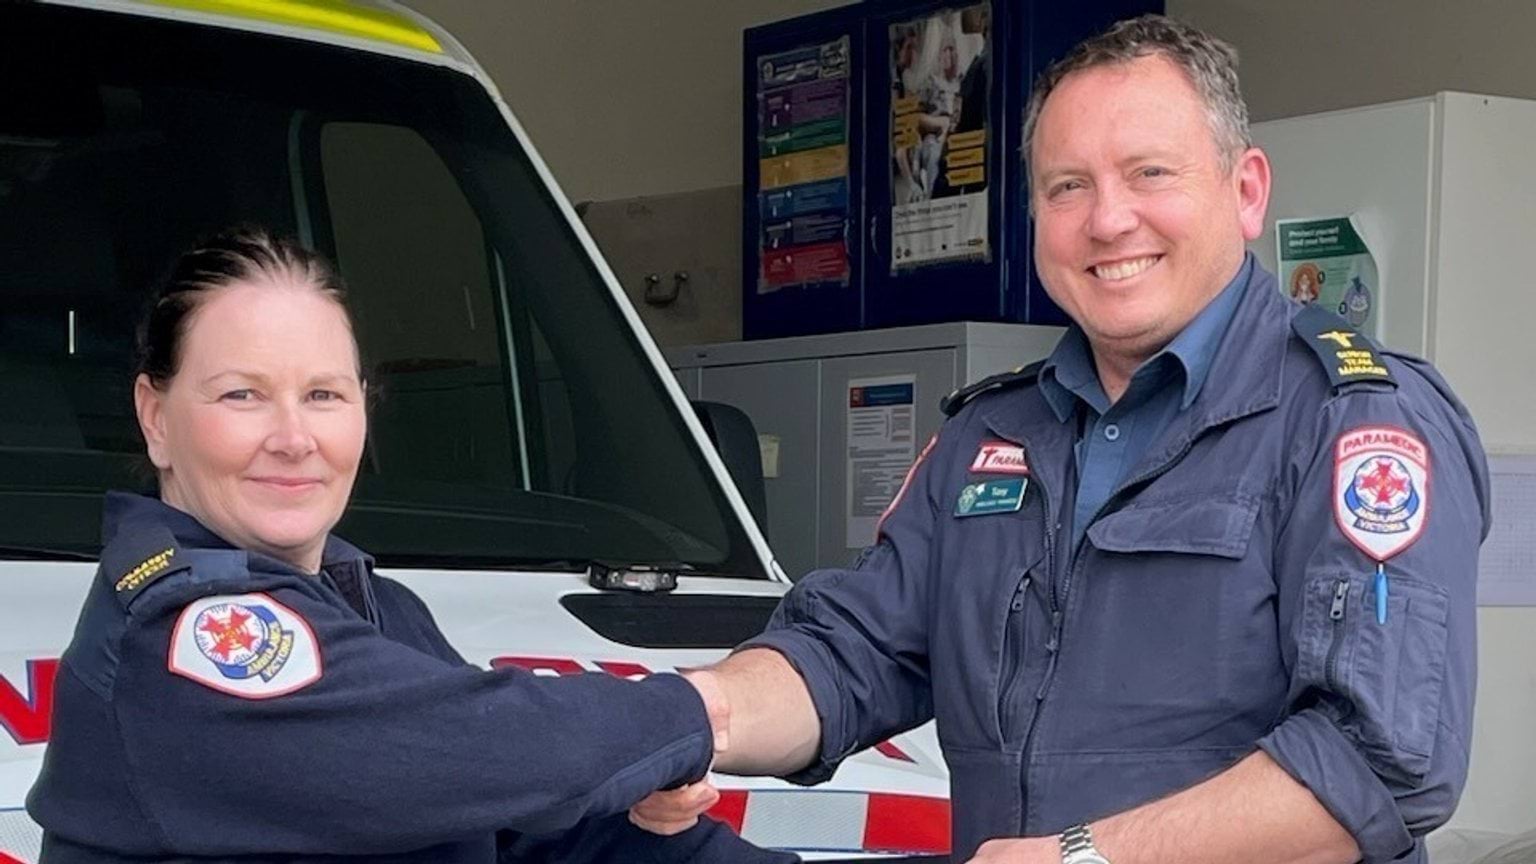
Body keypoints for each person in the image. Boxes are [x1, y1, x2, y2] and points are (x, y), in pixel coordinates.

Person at [633, 14, 1488, 864]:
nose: (1109, 221)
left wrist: (1082, 857)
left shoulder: (1354, 421)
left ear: (1247, 190)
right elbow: (857, 651)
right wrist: (692, 720)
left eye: (1149, 173)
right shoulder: (991, 432)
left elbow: (1380, 757)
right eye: (1067, 186)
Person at [26, 227, 795, 864]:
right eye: (242, 395)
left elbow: (520, 826)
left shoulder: (376, 604)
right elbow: (479, 754)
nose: (294, 439)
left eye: (324, 394)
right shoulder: (183, 632)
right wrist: (697, 713)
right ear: (155, 417)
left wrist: (631, 791)